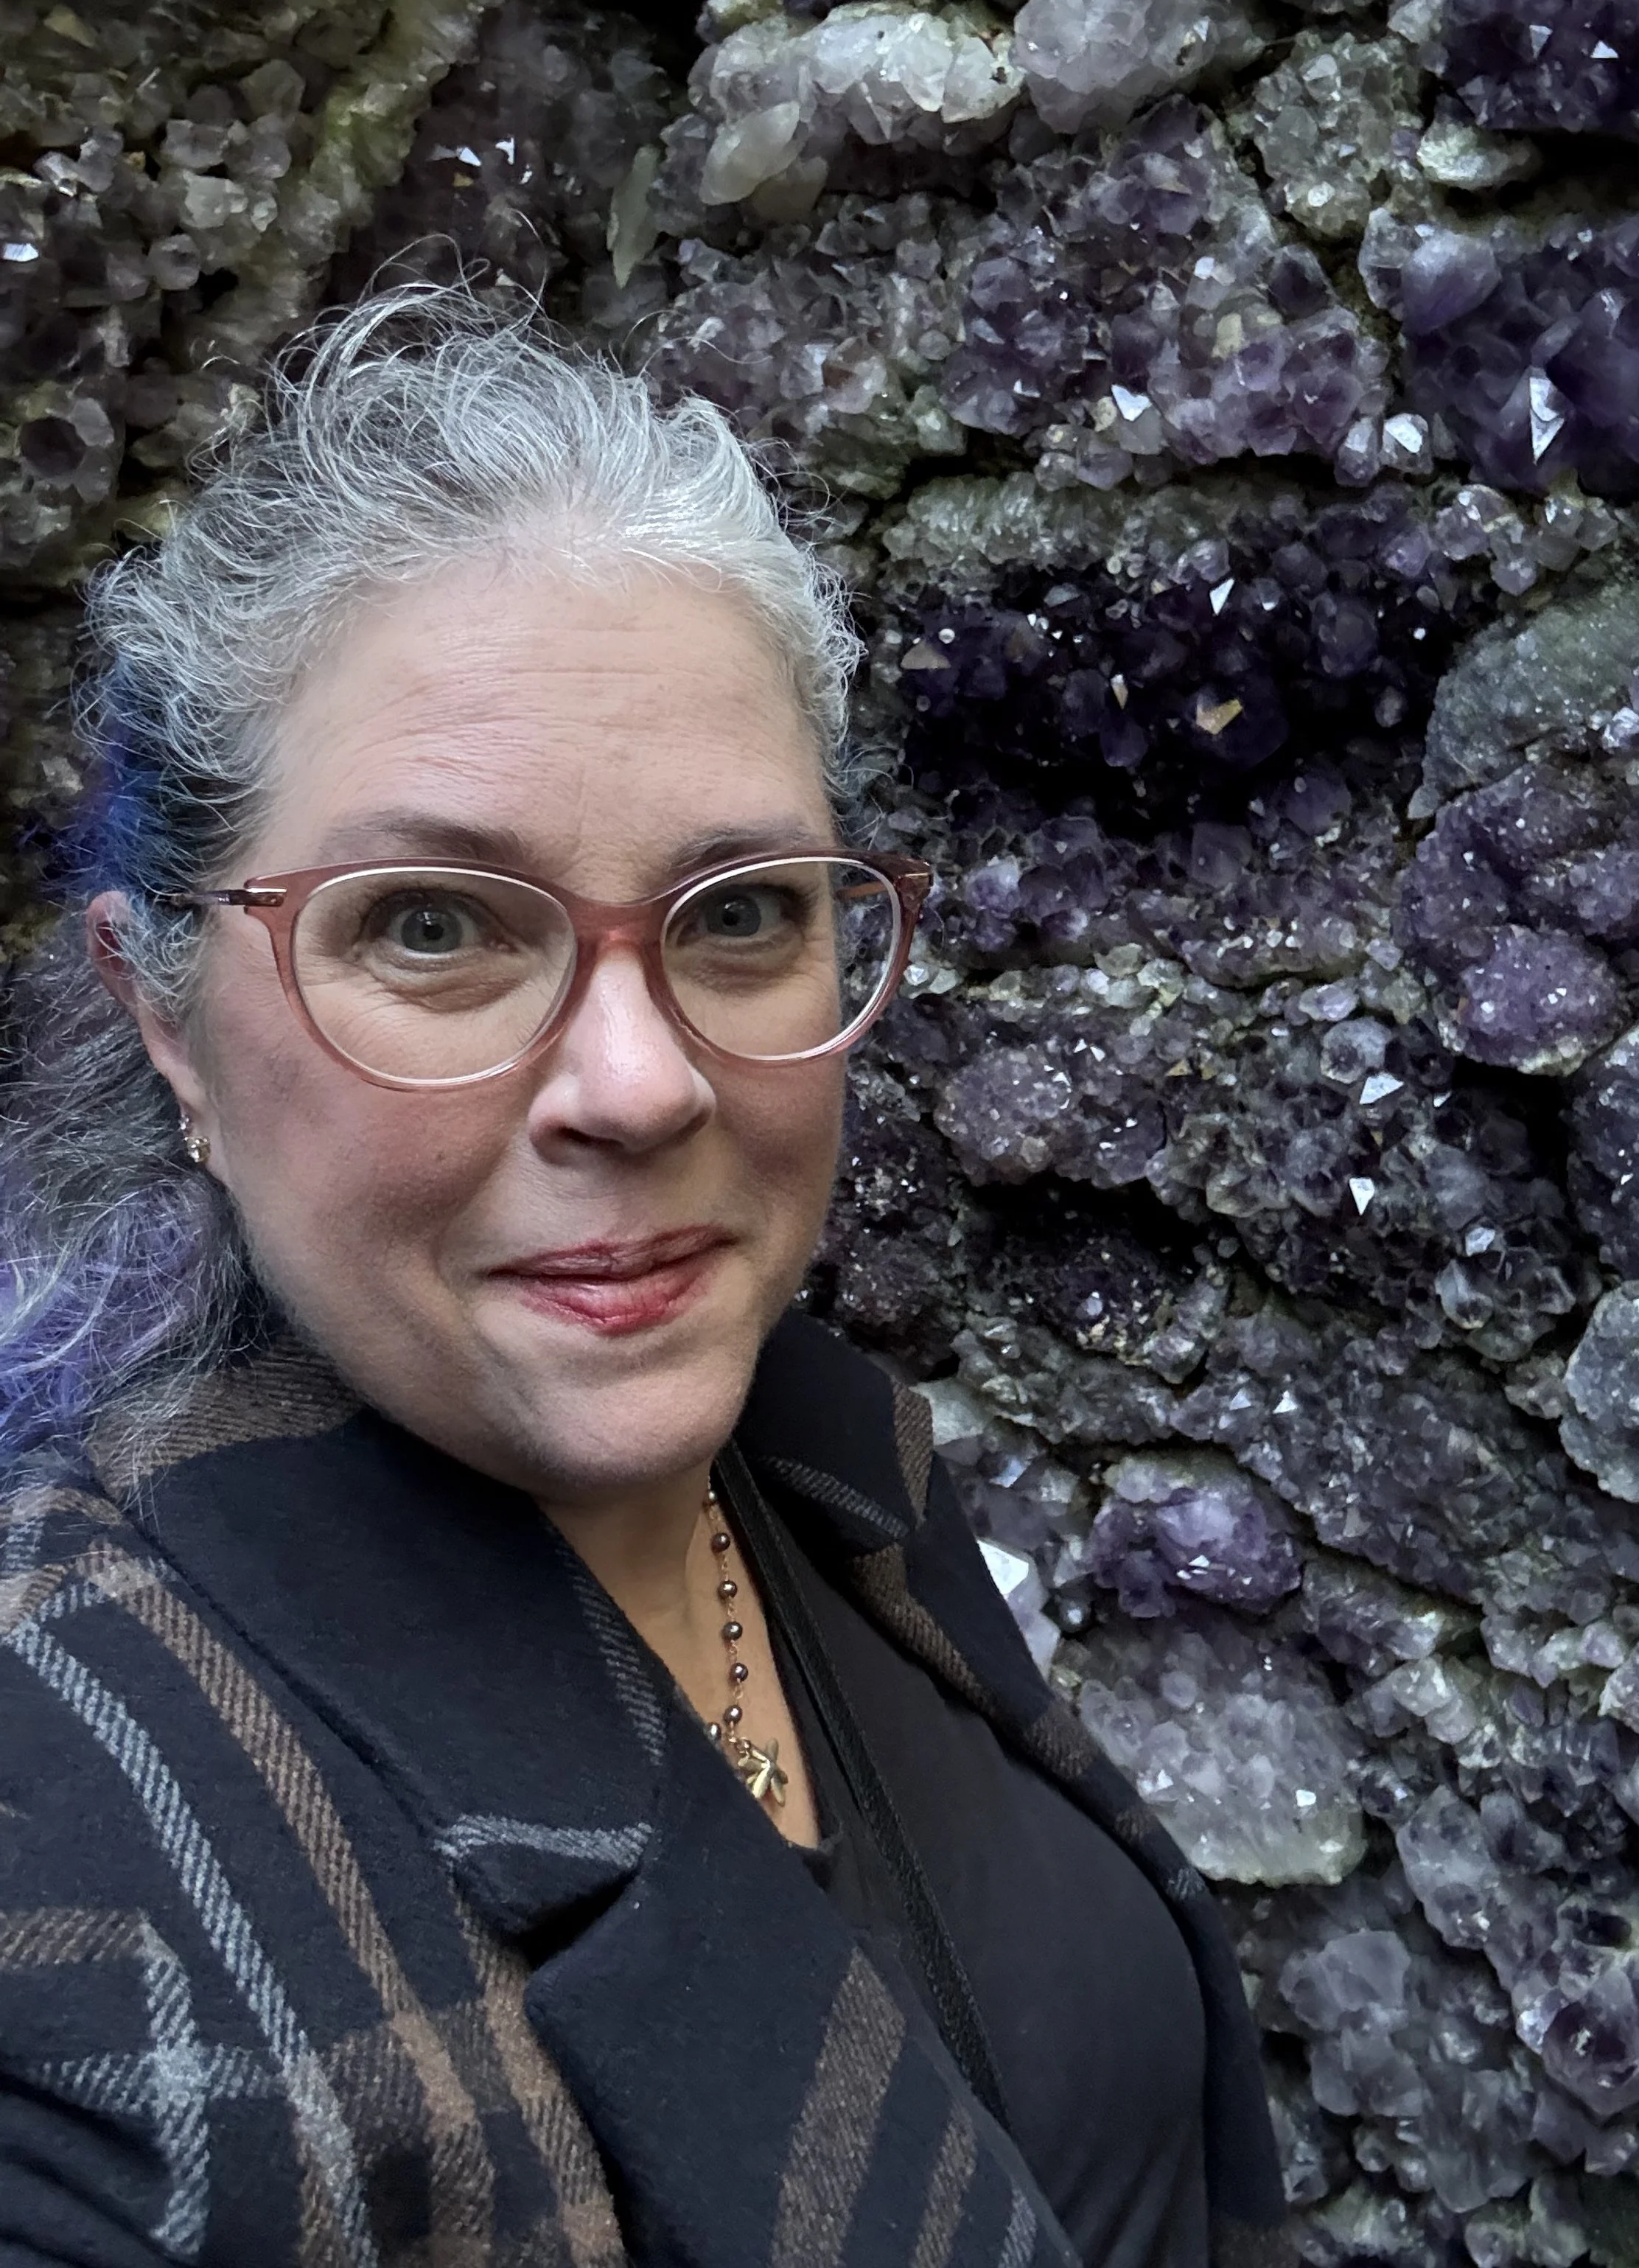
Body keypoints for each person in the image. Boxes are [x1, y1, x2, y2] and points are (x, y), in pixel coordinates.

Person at [0, 289, 1287, 2268]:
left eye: (744, 911)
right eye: (434, 924)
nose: (641, 1080)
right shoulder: (65, 1842)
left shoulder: (829, 1458)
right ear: (160, 1018)